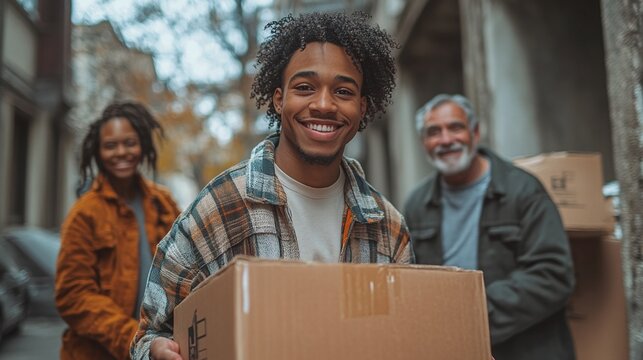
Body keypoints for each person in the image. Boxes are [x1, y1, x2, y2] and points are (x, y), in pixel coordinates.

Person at [130, 11, 412, 360]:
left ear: (362, 107)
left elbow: (407, 335)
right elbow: (149, 335)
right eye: (305, 87)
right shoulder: (219, 208)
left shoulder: (388, 227)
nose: (323, 104)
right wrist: (155, 351)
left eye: (342, 91)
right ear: (279, 100)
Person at [404, 94, 575, 360]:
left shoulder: (523, 191)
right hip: (451, 347)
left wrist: (474, 311)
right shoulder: (417, 204)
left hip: (526, 349)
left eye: (455, 127)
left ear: (475, 132)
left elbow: (552, 275)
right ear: (423, 143)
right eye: (433, 132)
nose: (446, 140)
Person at [55, 102, 181, 360]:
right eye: (110, 145)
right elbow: (73, 295)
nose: (121, 152)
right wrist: (136, 340)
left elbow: (187, 268)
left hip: (161, 348)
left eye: (129, 143)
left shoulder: (164, 203)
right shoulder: (85, 213)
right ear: (98, 151)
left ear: (143, 145)